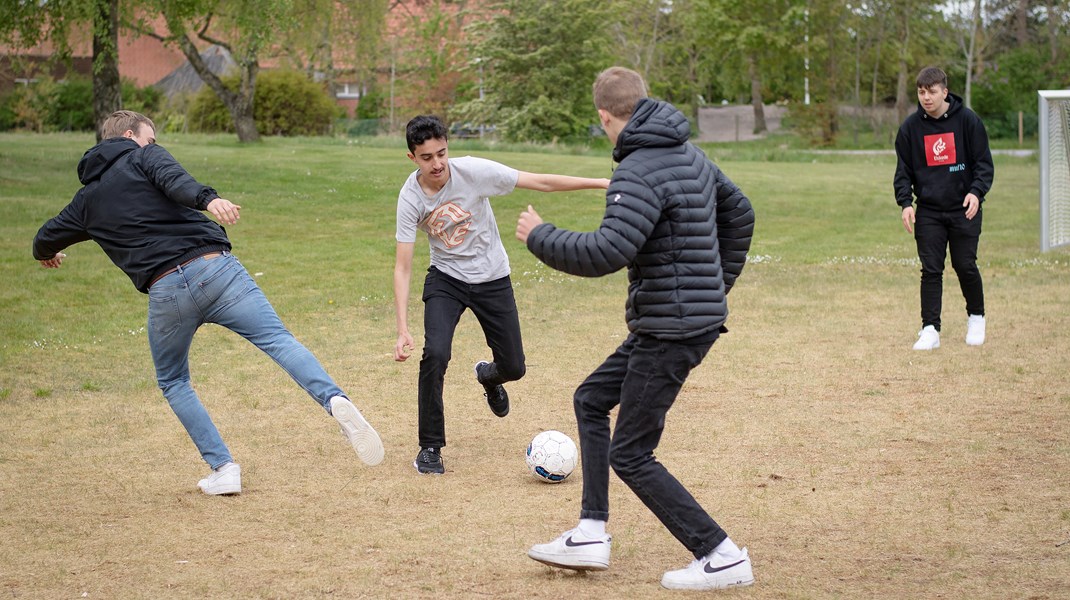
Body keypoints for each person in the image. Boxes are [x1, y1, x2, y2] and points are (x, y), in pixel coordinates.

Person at [32, 110, 384, 496]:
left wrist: (49, 253)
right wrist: (208, 199)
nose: (154, 144)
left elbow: (45, 236)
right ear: (130, 135)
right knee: (278, 340)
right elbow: (175, 180)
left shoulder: (86, 202)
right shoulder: (144, 155)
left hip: (166, 292)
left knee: (174, 381)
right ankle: (334, 400)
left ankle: (223, 467)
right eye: (150, 138)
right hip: (216, 271)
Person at [517, 67, 756, 591]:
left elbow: (606, 251)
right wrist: (715, 288)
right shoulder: (690, 155)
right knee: (590, 399)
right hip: (673, 321)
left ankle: (720, 554)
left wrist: (540, 235)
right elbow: (740, 213)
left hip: (671, 329)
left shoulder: (639, 170)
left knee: (631, 452)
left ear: (605, 116)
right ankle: (590, 532)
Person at [394, 115, 609, 475]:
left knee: (514, 367)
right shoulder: (410, 198)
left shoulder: (474, 172)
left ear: (449, 147)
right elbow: (403, 266)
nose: (437, 163)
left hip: (493, 277)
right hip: (446, 279)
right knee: (435, 354)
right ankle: (430, 447)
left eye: (442, 153)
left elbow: (538, 181)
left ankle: (489, 377)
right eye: (427, 157)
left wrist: (601, 182)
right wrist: (402, 328)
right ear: (412, 157)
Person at [894, 66, 994, 351]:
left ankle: (976, 316)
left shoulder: (968, 122)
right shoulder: (910, 128)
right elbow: (903, 171)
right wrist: (905, 203)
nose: (926, 97)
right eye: (921, 92)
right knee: (930, 270)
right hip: (929, 211)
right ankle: (930, 329)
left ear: (945, 92)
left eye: (932, 92)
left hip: (964, 208)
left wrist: (976, 192)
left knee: (965, 264)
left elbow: (984, 165)